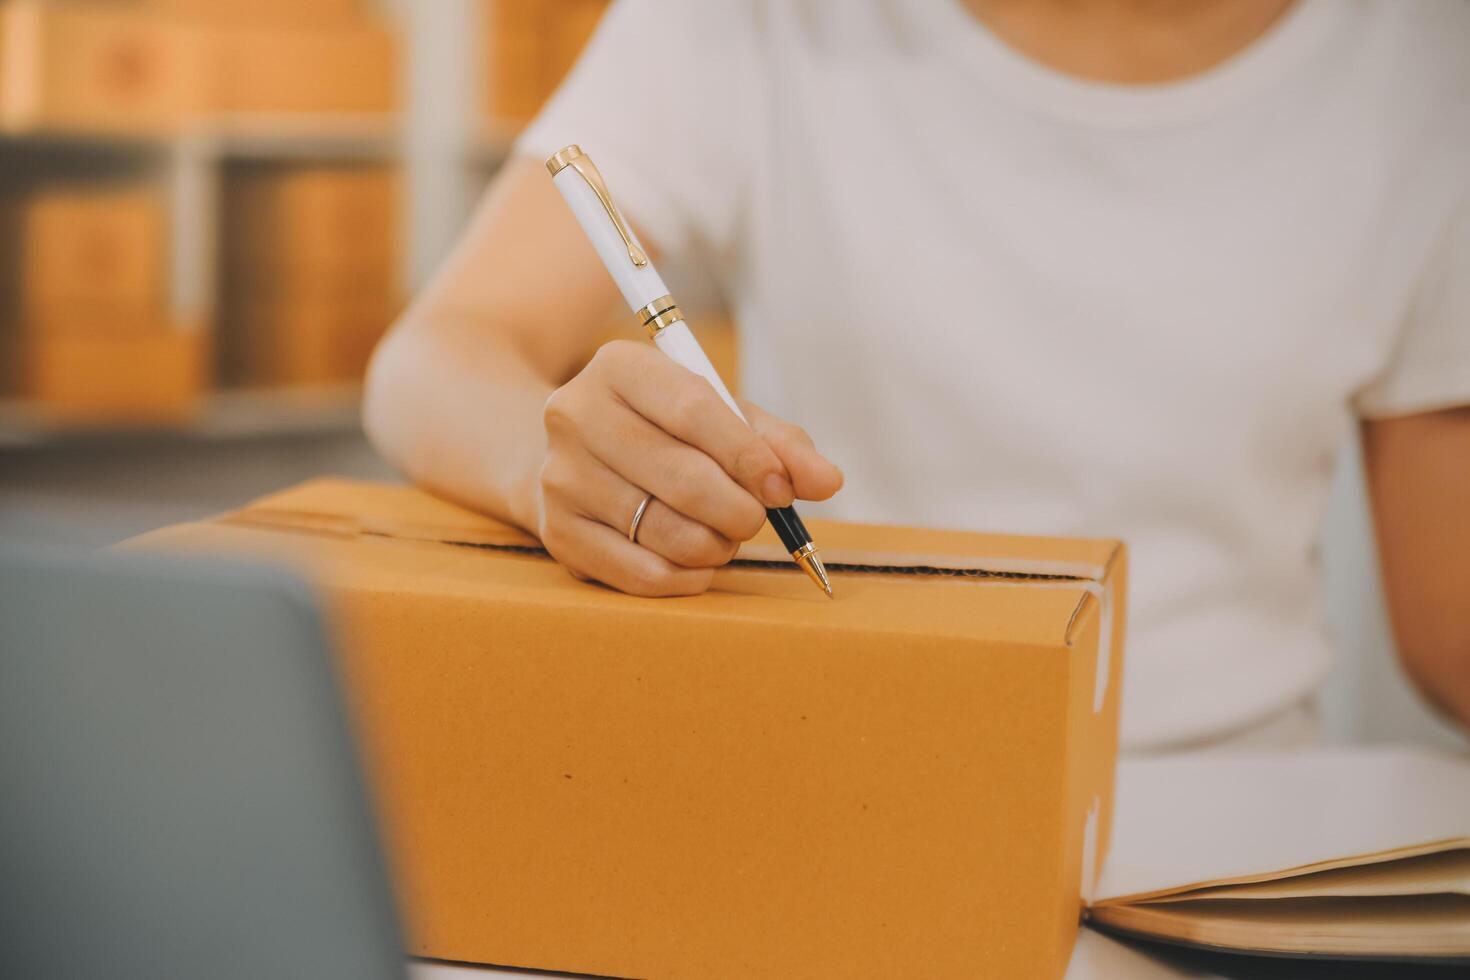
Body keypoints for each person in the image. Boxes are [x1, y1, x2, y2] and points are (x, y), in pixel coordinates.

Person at [364, 0, 1470, 753]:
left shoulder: (1424, 68)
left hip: (1235, 843)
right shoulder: (760, 24)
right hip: (837, 764)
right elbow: (429, 360)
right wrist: (548, 463)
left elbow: (1447, 627)